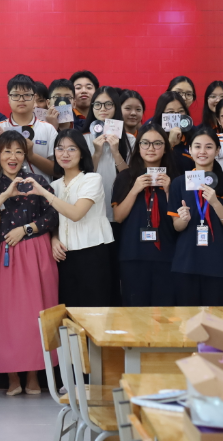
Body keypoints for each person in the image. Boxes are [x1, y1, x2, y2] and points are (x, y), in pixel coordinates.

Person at [0, 130, 59, 396]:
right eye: (7, 151)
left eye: (18, 152)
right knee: (7, 318)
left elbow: (54, 214)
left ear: (25, 155)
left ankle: (34, 375)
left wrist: (27, 230)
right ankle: (12, 377)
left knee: (36, 316)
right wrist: (5, 195)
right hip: (7, 256)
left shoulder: (37, 181)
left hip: (37, 253)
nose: (12, 157)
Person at [37, 128, 113, 307]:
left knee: (96, 309)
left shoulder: (92, 179)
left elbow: (76, 214)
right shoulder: (54, 185)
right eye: (60, 148)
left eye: (72, 149)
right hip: (64, 255)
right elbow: (54, 221)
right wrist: (54, 239)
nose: (65, 154)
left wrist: (44, 193)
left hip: (93, 251)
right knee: (69, 308)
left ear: (82, 153)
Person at [169, 126, 223, 305]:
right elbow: (177, 226)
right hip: (186, 263)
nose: (202, 151)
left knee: (217, 317)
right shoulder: (179, 183)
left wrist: (215, 202)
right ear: (190, 150)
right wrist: (183, 219)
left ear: (217, 151)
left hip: (219, 263)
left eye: (209, 147)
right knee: (186, 318)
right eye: (197, 146)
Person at [111, 123, 179, 305]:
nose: (151, 148)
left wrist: (169, 191)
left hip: (167, 254)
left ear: (165, 148)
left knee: (166, 312)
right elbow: (118, 217)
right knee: (134, 311)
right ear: (138, 147)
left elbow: (180, 221)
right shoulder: (125, 177)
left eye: (157, 143)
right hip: (133, 254)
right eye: (145, 143)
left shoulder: (176, 179)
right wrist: (135, 190)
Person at [0, 74, 56, 181]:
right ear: (8, 98)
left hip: (41, 190)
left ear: (34, 98)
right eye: (16, 95)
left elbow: (58, 171)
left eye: (27, 95)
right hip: (5, 191)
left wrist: (31, 156)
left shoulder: (48, 129)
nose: (21, 99)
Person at [83, 87, 133, 225]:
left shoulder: (130, 140)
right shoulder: (83, 138)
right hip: (90, 209)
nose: (102, 109)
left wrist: (116, 153)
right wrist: (97, 153)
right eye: (98, 104)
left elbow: (129, 178)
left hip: (120, 208)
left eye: (108, 104)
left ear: (116, 107)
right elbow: (82, 178)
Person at [151, 91, 195, 171]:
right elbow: (153, 165)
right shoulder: (152, 136)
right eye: (170, 112)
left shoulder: (194, 135)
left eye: (180, 111)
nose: (176, 116)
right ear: (161, 114)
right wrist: (170, 143)